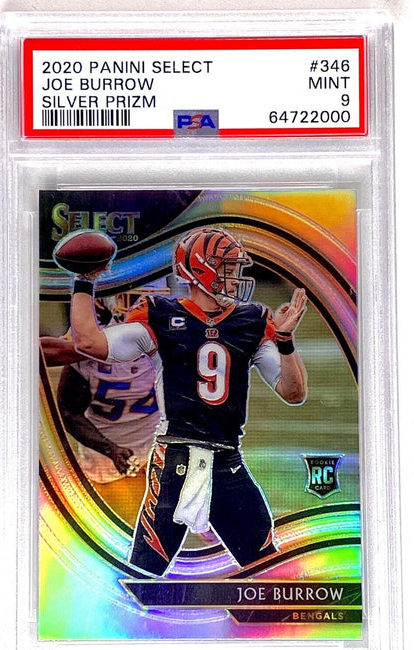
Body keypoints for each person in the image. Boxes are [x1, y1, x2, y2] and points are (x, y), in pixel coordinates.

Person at [68, 227, 307, 576]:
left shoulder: (252, 320)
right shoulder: (160, 314)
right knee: (144, 575)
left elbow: (293, 392)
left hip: (227, 460)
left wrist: (284, 340)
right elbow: (88, 342)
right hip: (175, 458)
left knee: (268, 569)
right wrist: (83, 281)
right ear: (201, 269)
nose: (235, 276)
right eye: (227, 267)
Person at [40, 297, 161, 524]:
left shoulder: (172, 336)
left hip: (155, 453)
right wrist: (93, 348)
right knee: (114, 528)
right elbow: (69, 413)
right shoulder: (95, 340)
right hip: (105, 466)